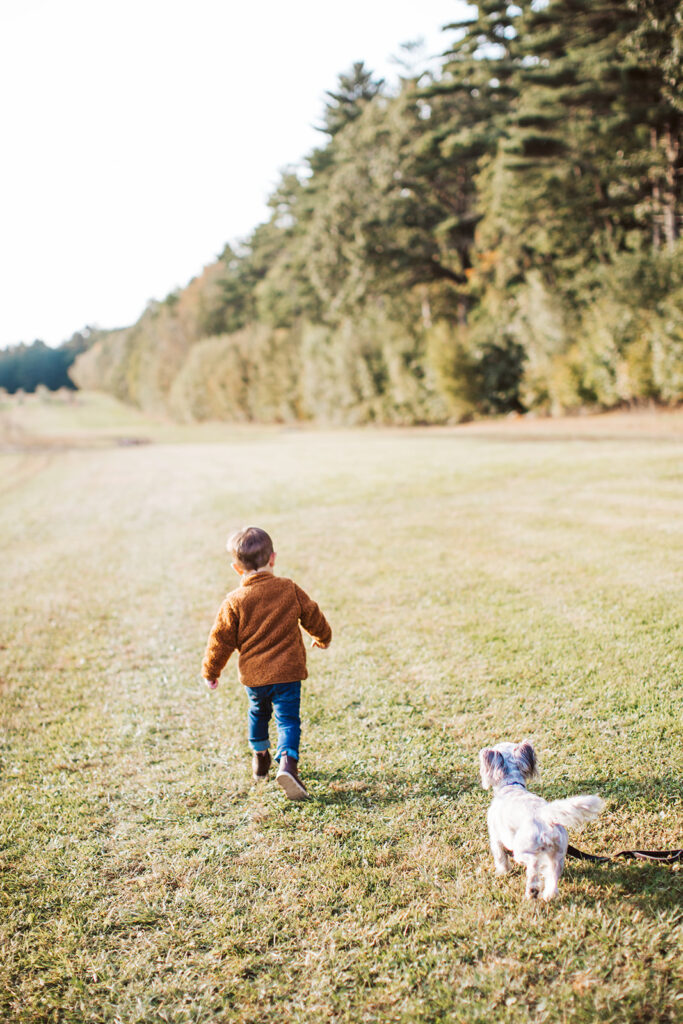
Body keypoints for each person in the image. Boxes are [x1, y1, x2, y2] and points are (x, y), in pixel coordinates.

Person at [202, 526, 331, 800]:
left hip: (255, 678)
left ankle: (261, 756)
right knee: (288, 721)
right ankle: (288, 764)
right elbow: (312, 614)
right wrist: (323, 636)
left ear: (237, 568)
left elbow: (220, 640)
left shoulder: (234, 601)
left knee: (258, 714)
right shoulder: (288, 588)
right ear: (272, 558)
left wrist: (211, 671)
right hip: (288, 673)